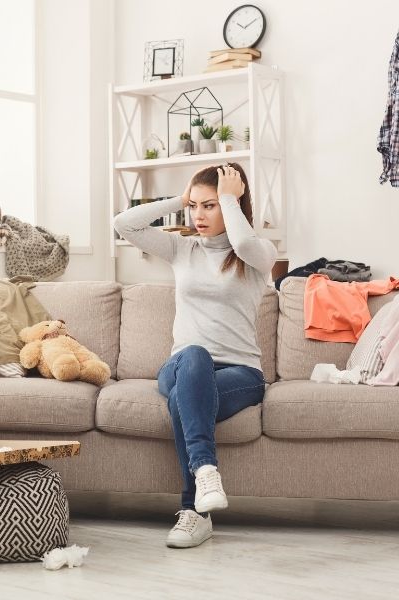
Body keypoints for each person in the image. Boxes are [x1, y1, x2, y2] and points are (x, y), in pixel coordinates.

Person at [113, 163, 277, 548]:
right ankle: (205, 472)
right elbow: (124, 223)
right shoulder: (181, 248)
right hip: (182, 363)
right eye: (194, 206)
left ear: (233, 205)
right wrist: (178, 198)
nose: (198, 216)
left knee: (184, 402)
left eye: (211, 206)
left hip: (240, 373)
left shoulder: (257, 256)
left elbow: (244, 244)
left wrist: (229, 198)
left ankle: (194, 513)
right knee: (195, 358)